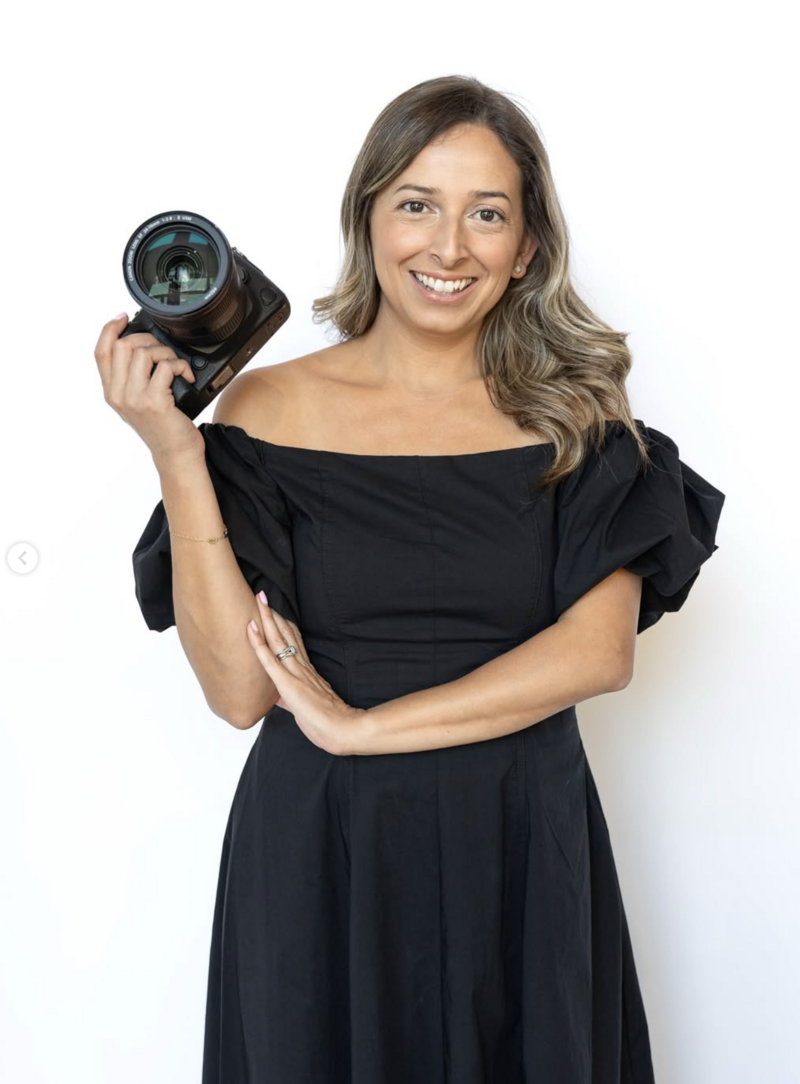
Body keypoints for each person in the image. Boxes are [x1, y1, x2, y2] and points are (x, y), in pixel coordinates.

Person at [96, 75, 725, 1083]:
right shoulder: (266, 408)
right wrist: (176, 450)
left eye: (487, 214)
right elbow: (240, 691)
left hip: (517, 840)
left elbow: (597, 654)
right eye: (417, 205)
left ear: (527, 246)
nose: (448, 247)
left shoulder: (579, 414)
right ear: (368, 220)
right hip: (320, 848)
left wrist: (361, 728)